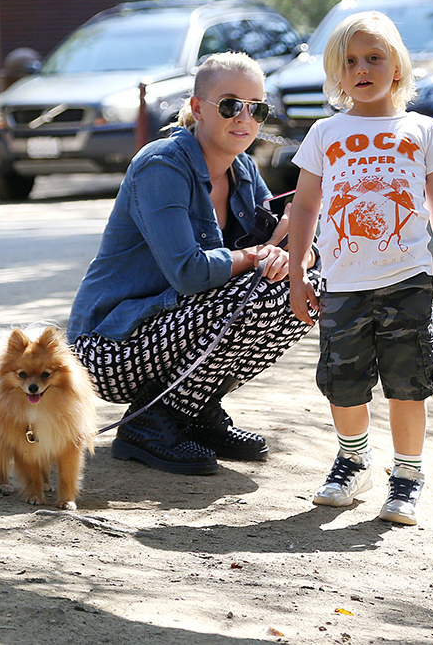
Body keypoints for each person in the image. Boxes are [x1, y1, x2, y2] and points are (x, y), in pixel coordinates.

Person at [68, 52, 318, 476]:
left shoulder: (242, 167)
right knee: (262, 289)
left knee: (305, 289)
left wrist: (297, 254)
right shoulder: (161, 164)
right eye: (229, 104)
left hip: (172, 329)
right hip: (108, 347)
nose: (244, 117)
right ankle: (149, 422)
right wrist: (264, 255)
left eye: (256, 108)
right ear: (198, 107)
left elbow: (283, 244)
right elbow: (189, 273)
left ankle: (194, 411)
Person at [286, 11, 433, 525]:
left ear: (398, 68)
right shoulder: (324, 134)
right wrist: (299, 273)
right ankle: (353, 460)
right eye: (349, 62)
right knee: (343, 382)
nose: (362, 69)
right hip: (341, 283)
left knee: (408, 382)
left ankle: (407, 477)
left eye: (373, 58)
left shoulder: (422, 130)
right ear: (336, 76)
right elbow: (304, 208)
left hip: (408, 279)